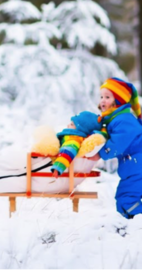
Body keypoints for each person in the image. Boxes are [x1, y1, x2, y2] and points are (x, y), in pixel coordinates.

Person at [92, 77, 142, 218]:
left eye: (107, 97)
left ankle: (136, 226)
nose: (102, 100)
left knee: (127, 199)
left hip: (137, 165)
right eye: (101, 96)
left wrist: (100, 153)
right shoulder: (115, 119)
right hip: (134, 165)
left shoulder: (124, 120)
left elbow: (117, 143)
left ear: (119, 100)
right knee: (125, 197)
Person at [50, 111, 105, 178]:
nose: (68, 125)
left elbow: (68, 151)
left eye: (72, 124)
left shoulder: (74, 139)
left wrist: (58, 166)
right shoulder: (71, 136)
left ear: (81, 129)